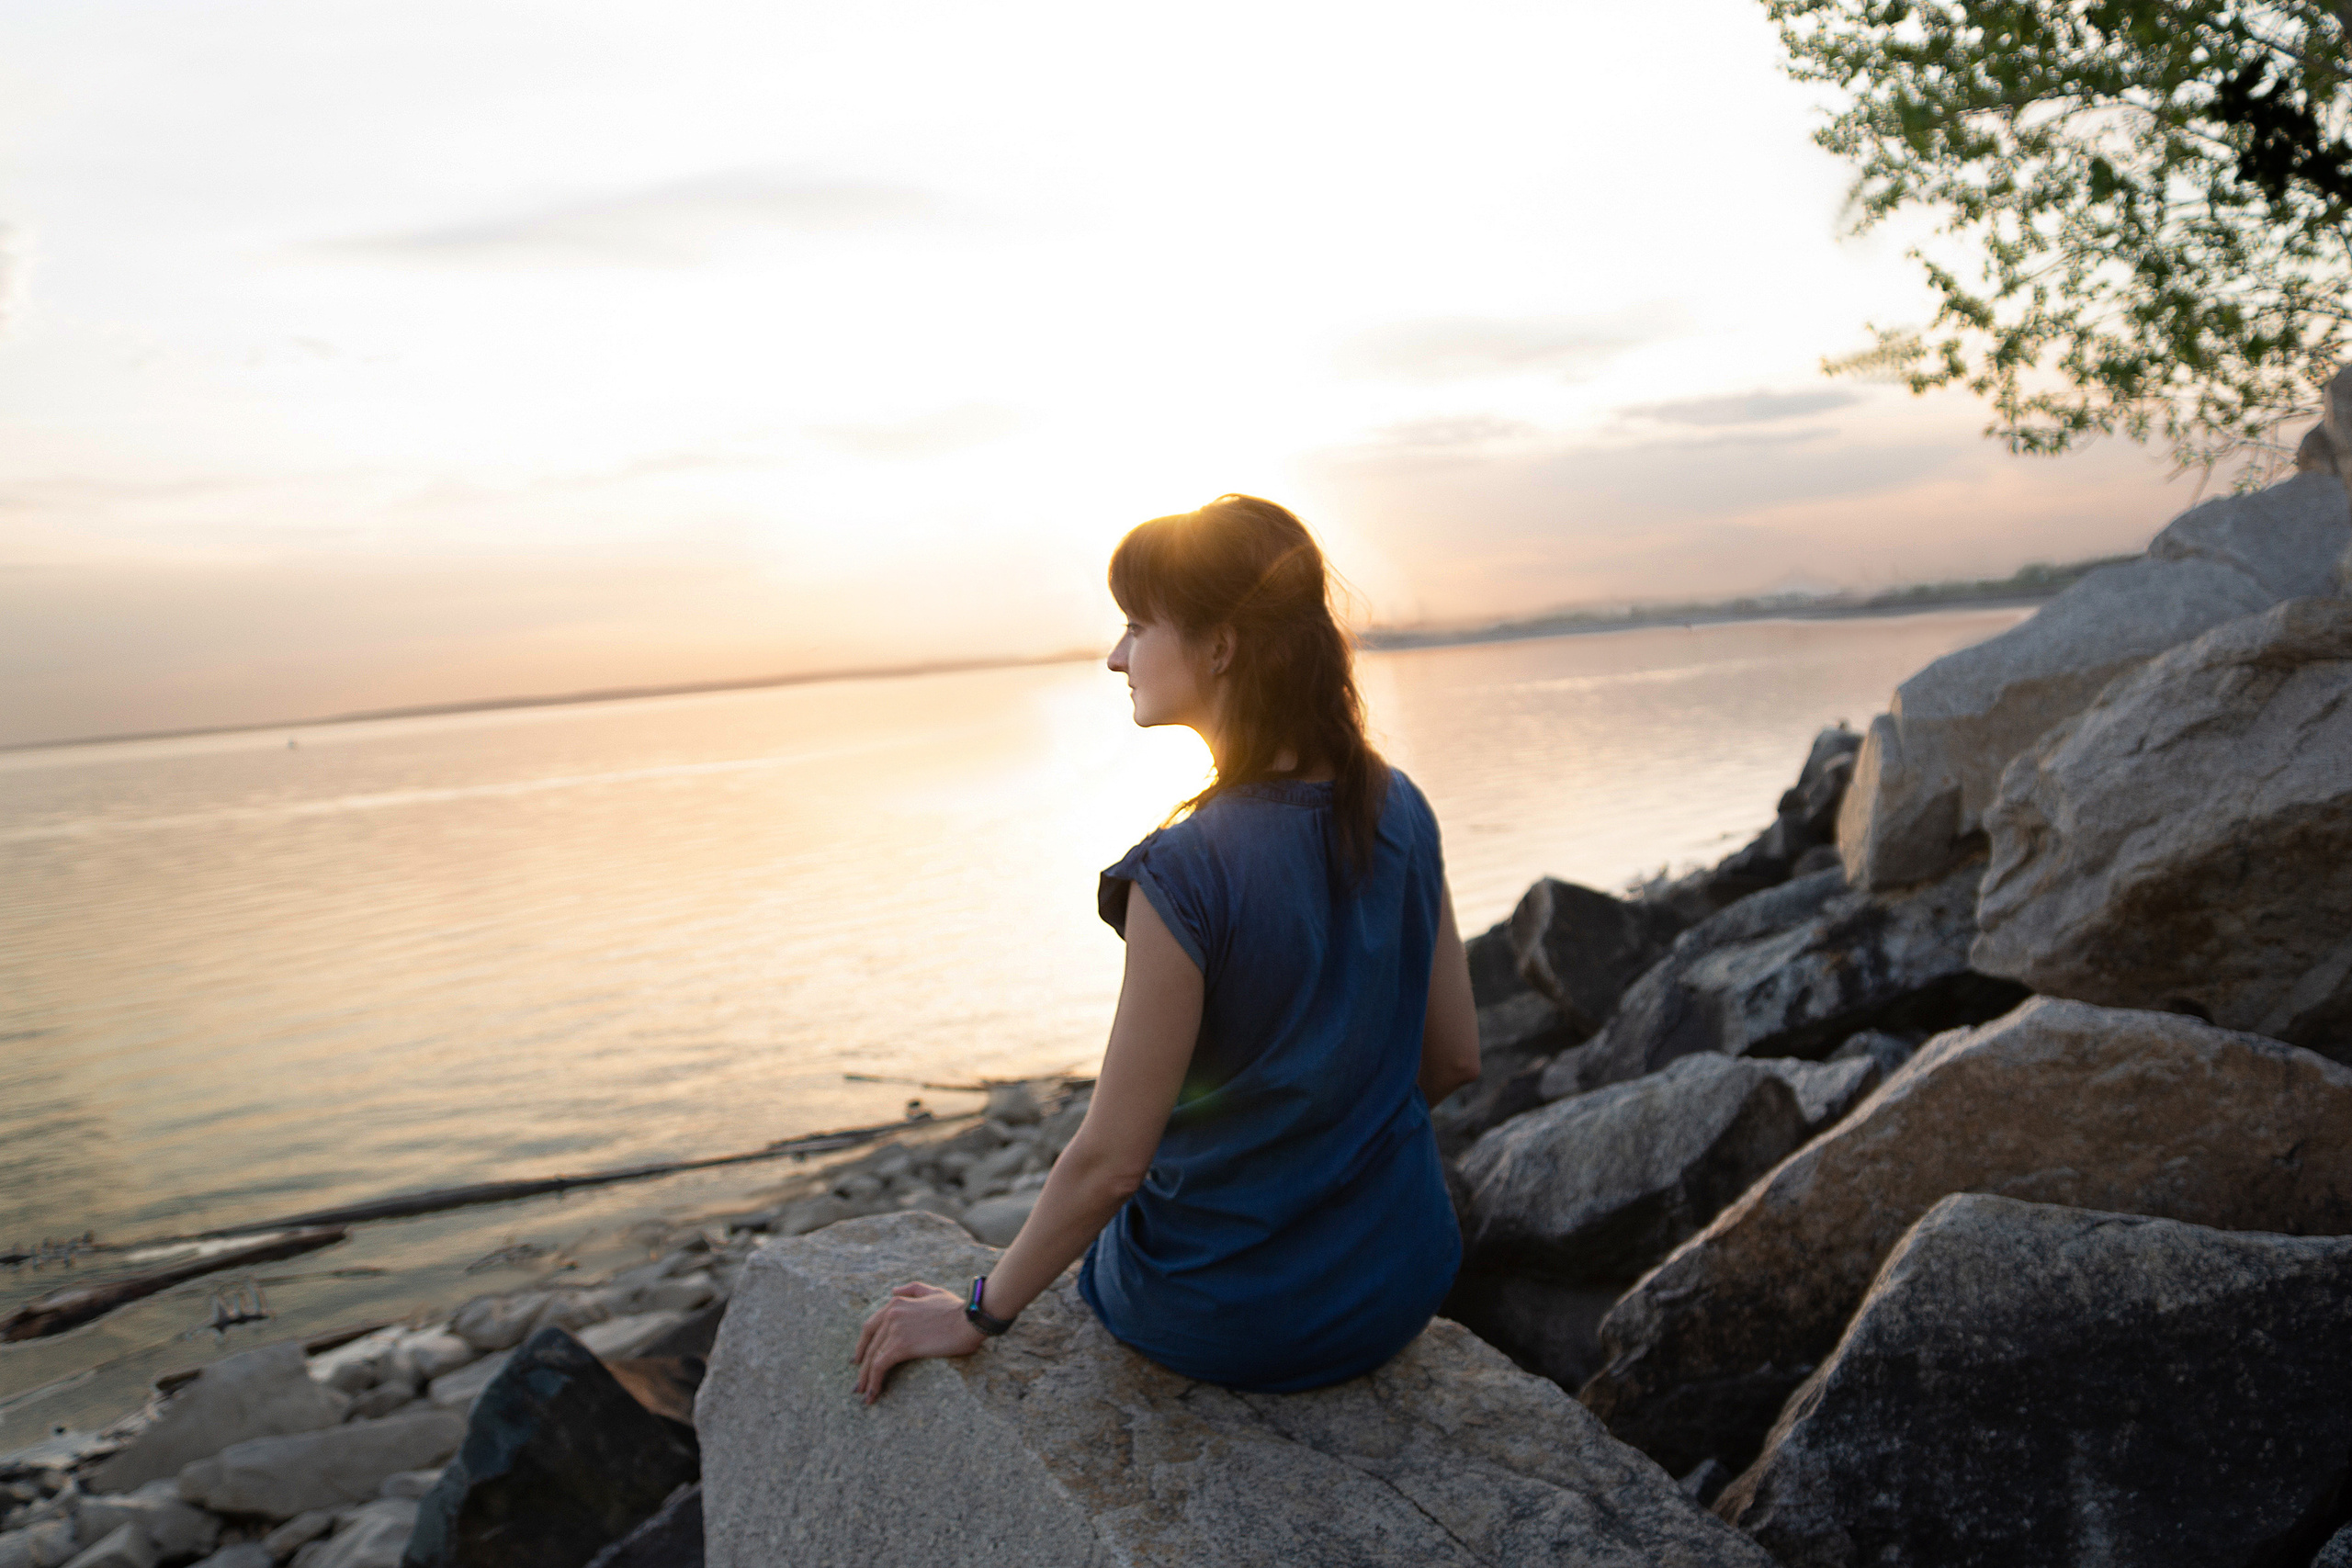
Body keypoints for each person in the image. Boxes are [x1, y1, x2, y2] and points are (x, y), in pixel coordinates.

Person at [853, 494, 1479, 1402]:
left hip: (1229, 1321)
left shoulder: (1182, 873)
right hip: (1399, 1284)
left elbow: (1111, 1164)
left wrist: (978, 1312)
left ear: (1220, 646)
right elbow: (1454, 1058)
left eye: (1137, 626)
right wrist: (1332, 1161)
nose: (1117, 656)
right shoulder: (1401, 804)